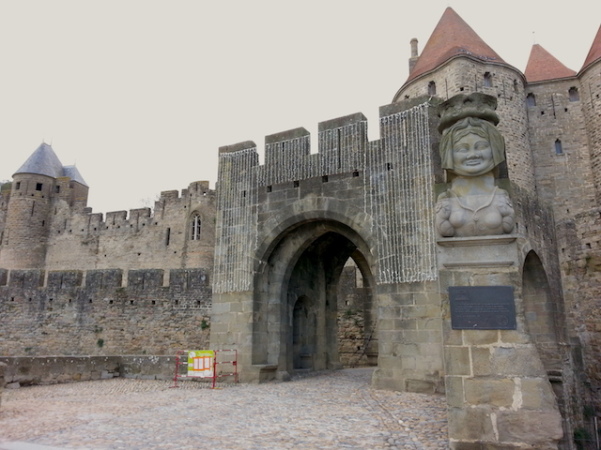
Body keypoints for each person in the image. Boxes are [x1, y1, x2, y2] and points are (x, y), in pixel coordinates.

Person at [435, 116, 515, 237]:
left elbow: (509, 226)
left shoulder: (501, 195)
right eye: (462, 149)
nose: (472, 155)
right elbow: (443, 230)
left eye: (481, 146)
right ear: (448, 154)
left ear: (495, 149)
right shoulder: (445, 198)